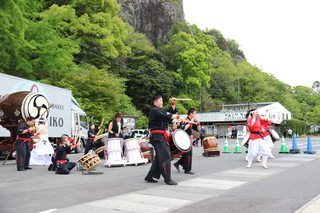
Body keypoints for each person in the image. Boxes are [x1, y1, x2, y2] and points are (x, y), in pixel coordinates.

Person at [144, 95, 186, 185]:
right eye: (160, 100)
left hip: (159, 136)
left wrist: (173, 103)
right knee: (165, 156)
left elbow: (169, 112)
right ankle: (167, 178)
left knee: (159, 157)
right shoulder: (154, 110)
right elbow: (169, 115)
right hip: (158, 136)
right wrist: (179, 117)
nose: (162, 102)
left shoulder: (159, 110)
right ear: (155, 102)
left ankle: (149, 176)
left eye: (162, 100)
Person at [173, 108, 200, 175]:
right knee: (188, 154)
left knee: (187, 154)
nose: (195, 115)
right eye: (195, 113)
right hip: (184, 139)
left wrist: (198, 123)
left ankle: (178, 163)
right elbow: (183, 128)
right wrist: (191, 122)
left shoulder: (191, 121)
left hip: (189, 139)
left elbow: (198, 129)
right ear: (191, 114)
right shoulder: (185, 120)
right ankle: (187, 169)